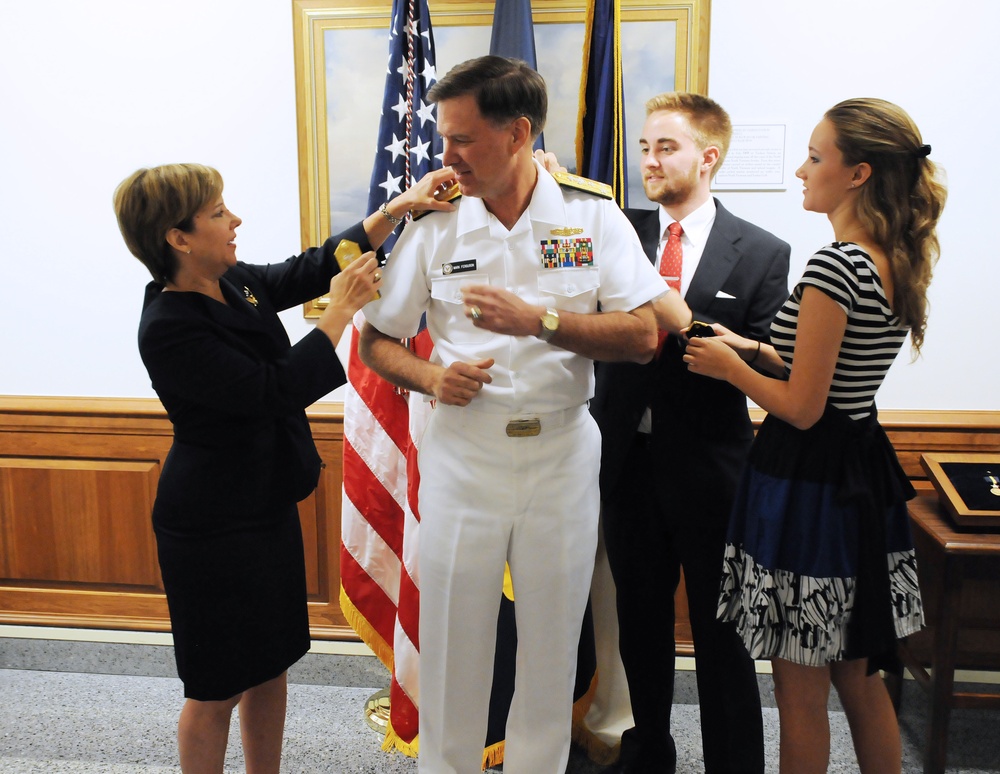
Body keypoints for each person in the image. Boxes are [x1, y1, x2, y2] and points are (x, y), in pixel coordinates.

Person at [357, 56, 667, 774]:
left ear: (519, 132)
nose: (448, 156)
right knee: (455, 643)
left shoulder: (589, 216)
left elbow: (646, 335)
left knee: (554, 642)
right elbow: (377, 341)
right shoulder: (436, 225)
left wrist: (541, 321)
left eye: (463, 139)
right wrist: (431, 374)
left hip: (561, 452)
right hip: (464, 455)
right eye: (444, 138)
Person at [112, 162, 456, 774]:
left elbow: (312, 266)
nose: (234, 219)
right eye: (218, 212)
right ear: (178, 237)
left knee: (269, 664)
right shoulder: (169, 325)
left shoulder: (232, 281)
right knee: (216, 685)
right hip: (211, 527)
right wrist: (339, 314)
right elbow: (270, 390)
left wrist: (400, 207)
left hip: (264, 508)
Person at [685, 98, 946, 773]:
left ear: (857, 174)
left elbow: (803, 408)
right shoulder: (889, 258)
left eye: (815, 157)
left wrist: (729, 366)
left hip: (807, 491)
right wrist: (754, 345)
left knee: (800, 692)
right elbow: (831, 377)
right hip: (858, 478)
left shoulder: (835, 266)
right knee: (859, 682)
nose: (802, 171)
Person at [589, 92, 791, 773]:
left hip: (712, 474)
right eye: (644, 146)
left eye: (665, 147)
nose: (649, 159)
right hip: (626, 468)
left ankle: (733, 763)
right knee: (640, 629)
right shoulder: (617, 233)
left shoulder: (764, 251)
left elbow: (768, 352)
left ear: (709, 157)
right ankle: (649, 752)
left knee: (721, 636)